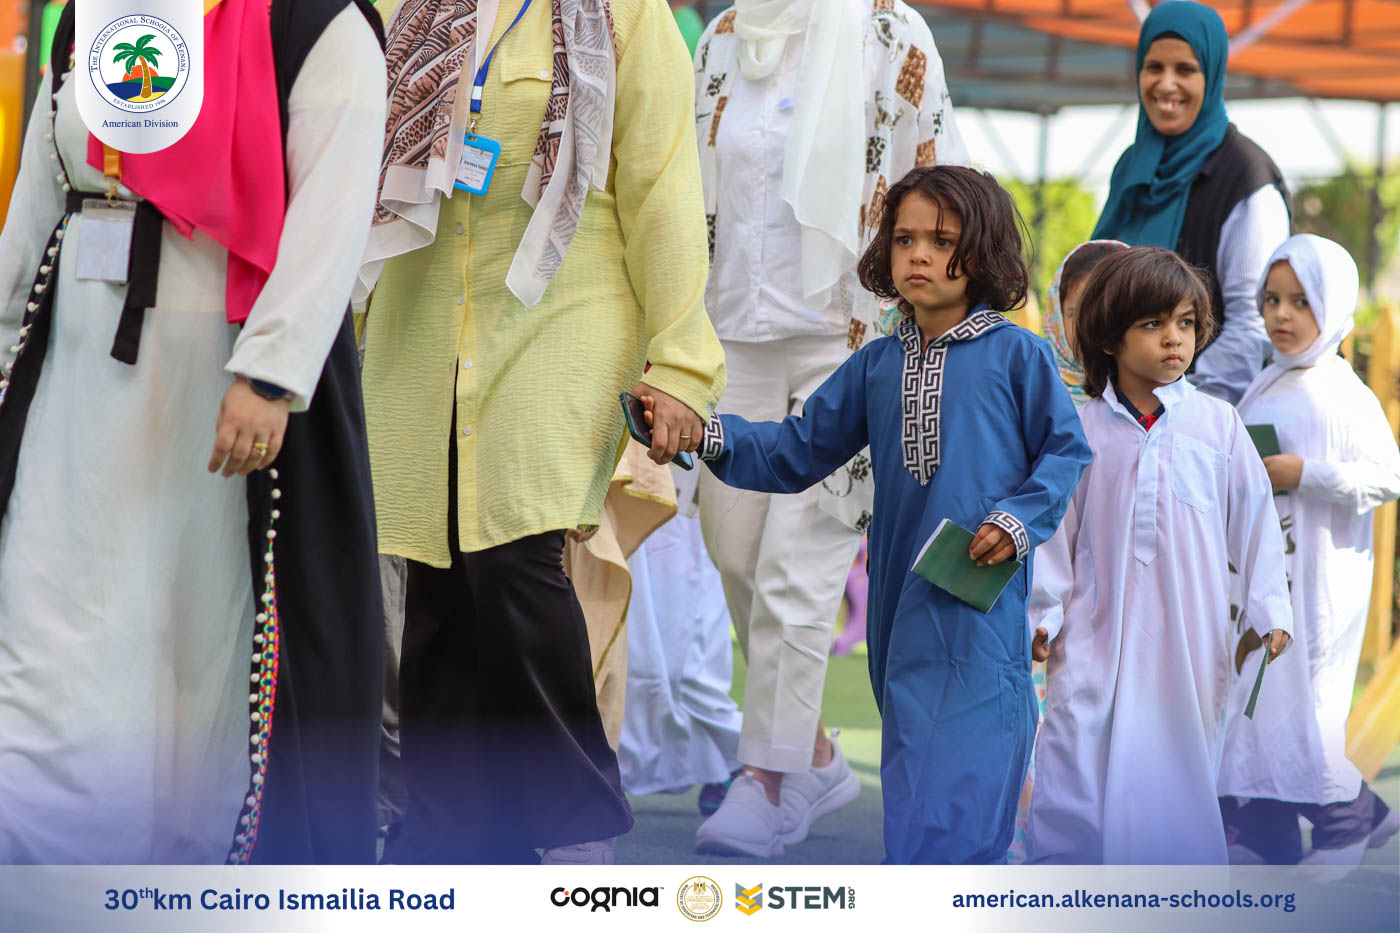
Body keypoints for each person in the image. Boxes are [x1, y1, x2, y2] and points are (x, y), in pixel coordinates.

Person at [0, 0, 387, 863]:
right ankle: (39, 856)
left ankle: (177, 864)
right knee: (43, 604)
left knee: (193, 637)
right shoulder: (98, 13)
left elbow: (330, 215)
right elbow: (42, 195)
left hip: (216, 389)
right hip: (73, 381)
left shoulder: (315, 22)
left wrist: (271, 374)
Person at [357, 0, 726, 865]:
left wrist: (682, 363)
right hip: (419, 318)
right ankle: (444, 829)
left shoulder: (628, 14)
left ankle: (572, 822)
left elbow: (665, 188)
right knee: (437, 574)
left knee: (516, 557)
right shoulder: (399, 7)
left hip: (564, 310)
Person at [648, 164, 1091, 863]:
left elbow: (1066, 451)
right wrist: (704, 434)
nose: (918, 255)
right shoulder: (878, 363)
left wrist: (1015, 521)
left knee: (975, 759)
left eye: (942, 241)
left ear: (983, 249)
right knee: (912, 762)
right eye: (904, 238)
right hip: (899, 602)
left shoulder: (1018, 355)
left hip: (980, 602)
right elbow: (797, 448)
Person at [690, 0, 970, 858]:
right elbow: (689, 185)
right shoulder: (724, 37)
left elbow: (944, 180)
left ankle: (767, 780)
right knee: (735, 550)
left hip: (848, 336)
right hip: (730, 332)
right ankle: (810, 752)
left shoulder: (892, 33)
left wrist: (938, 332)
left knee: (795, 565)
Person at [1027, 247, 1293, 865]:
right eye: (1152, 323)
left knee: (1176, 777)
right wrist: (1043, 617)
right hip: (1092, 637)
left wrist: (1270, 609)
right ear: (1109, 338)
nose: (1174, 339)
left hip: (1187, 641)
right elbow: (1056, 537)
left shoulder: (1218, 425)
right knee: (1076, 764)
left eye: (1185, 323)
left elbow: (1256, 523)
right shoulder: (1081, 431)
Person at [1218, 235, 1400, 866]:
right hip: (1269, 576)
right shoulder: (1265, 384)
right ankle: (1267, 832)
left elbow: (1387, 476)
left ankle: (1347, 821)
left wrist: (1306, 473)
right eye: (1271, 300)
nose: (1282, 315)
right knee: (1257, 699)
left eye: (1301, 301)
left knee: (1306, 707)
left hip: (1322, 581)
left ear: (1332, 303)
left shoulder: (1342, 393)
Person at [1092, 0, 1290, 405]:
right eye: (1154, 67)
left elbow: (1250, 325)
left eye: (1185, 70)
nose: (1166, 85)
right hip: (1116, 409)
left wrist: (1182, 410)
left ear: (1212, 75)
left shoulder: (1244, 175)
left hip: (1204, 413)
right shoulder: (1132, 167)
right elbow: (1094, 285)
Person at [1006, 238, 1126, 865]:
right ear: (1057, 311)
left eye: (1115, 307)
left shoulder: (1147, 407)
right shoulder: (1032, 393)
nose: (1096, 326)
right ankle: (1026, 853)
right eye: (1082, 310)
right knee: (1036, 727)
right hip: (1040, 600)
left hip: (1117, 603)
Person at [617, 465, 744, 806]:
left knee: (691, 660)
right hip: (627, 473)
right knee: (631, 640)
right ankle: (608, 765)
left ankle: (736, 761)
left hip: (692, 483)